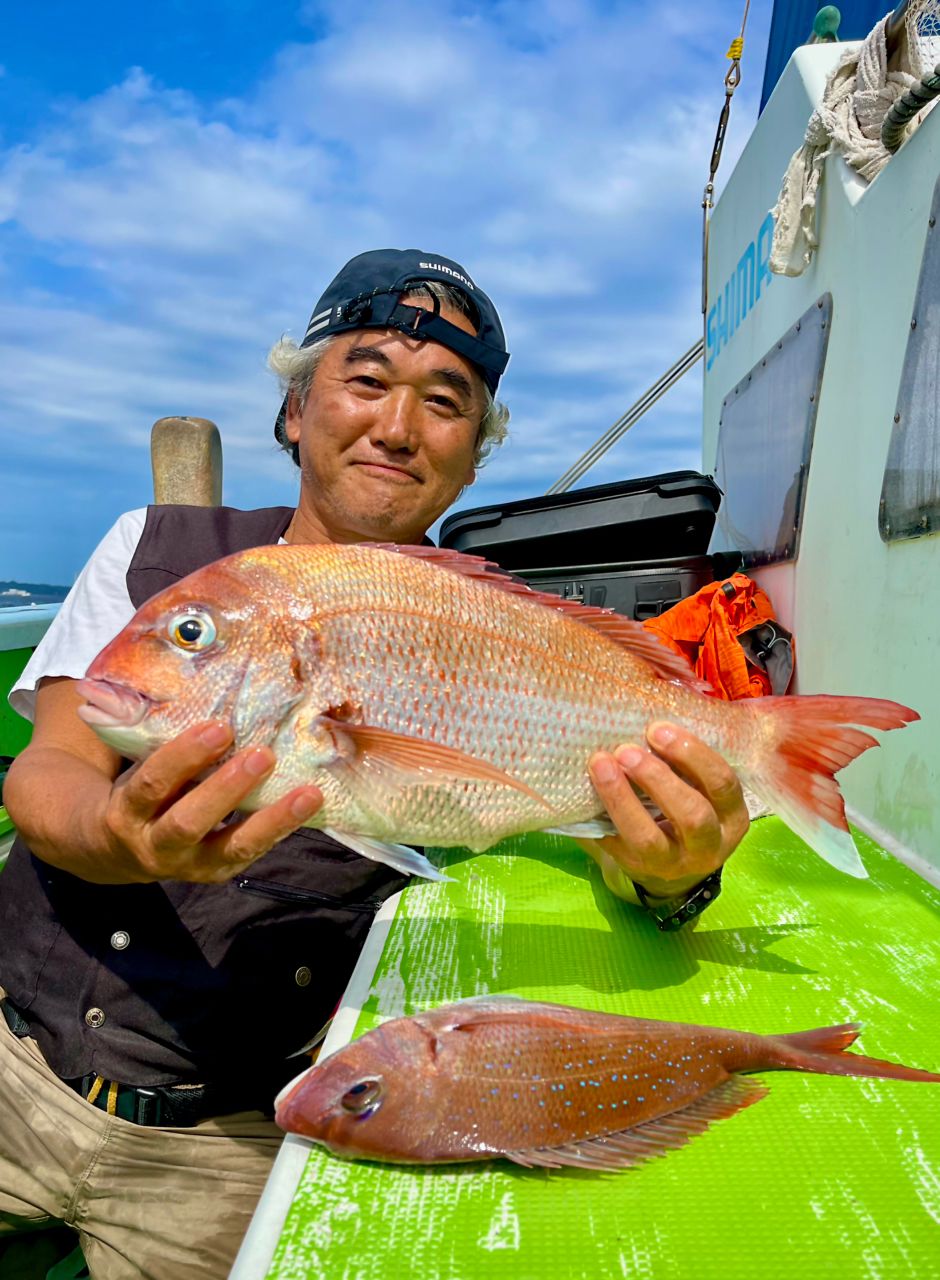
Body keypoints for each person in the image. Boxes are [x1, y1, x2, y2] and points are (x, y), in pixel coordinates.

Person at [1, 249, 749, 1279]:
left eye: (445, 399)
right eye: (364, 380)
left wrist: (672, 871)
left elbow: (605, 844)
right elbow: (49, 768)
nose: (398, 426)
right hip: (12, 1054)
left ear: (473, 457)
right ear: (296, 410)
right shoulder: (153, 549)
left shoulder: (495, 622)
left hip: (239, 1138)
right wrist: (114, 837)